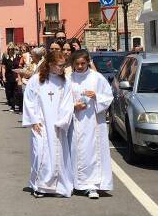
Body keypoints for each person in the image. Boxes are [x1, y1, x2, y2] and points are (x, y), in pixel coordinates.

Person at [23, 50, 75, 198]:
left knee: (58, 156)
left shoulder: (65, 82)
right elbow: (29, 101)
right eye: (59, 65)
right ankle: (40, 186)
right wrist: (33, 120)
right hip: (40, 124)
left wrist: (63, 121)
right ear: (50, 64)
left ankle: (58, 187)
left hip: (57, 126)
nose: (62, 68)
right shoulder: (36, 80)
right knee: (40, 153)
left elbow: (67, 103)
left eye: (63, 65)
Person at [69, 50, 113, 199]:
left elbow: (108, 97)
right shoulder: (70, 79)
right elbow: (62, 102)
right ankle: (76, 183)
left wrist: (96, 97)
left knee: (93, 153)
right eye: (77, 64)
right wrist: (73, 106)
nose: (80, 66)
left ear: (88, 62)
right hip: (75, 123)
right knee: (76, 152)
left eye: (83, 63)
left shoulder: (97, 78)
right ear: (73, 64)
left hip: (93, 123)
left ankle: (92, 185)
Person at [0, 43, 19, 111]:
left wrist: (18, 76)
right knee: (9, 91)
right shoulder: (6, 57)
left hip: (15, 75)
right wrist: (4, 77)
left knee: (15, 91)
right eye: (10, 49)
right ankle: (11, 103)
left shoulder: (17, 56)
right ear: (8, 50)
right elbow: (3, 67)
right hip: (8, 76)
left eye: (13, 49)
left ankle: (13, 106)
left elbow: (19, 67)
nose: (11, 50)